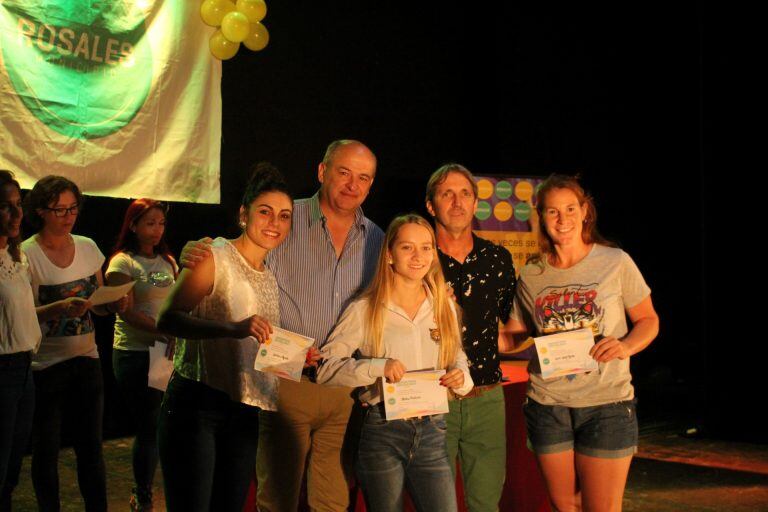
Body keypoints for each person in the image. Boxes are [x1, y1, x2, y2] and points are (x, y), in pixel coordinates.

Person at [182, 140, 384, 511]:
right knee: (277, 499)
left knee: (333, 502)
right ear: (322, 172)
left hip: (343, 389)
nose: (352, 184)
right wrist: (199, 250)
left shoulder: (378, 239)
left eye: (363, 177)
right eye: (343, 172)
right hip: (284, 380)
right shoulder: (285, 218)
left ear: (371, 185)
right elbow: (237, 255)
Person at [502, 174, 659, 512]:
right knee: (565, 506)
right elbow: (515, 336)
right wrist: (461, 325)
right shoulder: (532, 273)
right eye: (553, 212)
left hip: (606, 403)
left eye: (571, 209)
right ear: (541, 217)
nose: (563, 219)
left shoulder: (614, 262)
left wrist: (626, 346)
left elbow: (648, 321)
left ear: (585, 211)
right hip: (548, 404)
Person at [155, 164, 293, 512]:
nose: (274, 222)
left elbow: (257, 347)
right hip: (197, 404)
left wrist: (293, 358)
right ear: (243, 215)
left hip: (243, 409)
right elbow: (168, 319)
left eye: (284, 215)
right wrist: (233, 328)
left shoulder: (269, 277)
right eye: (265, 212)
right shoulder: (214, 255)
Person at [317, 214, 473, 512]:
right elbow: (326, 368)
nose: (419, 256)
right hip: (383, 430)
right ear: (389, 254)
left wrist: (460, 376)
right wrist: (378, 366)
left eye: (426, 247)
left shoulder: (443, 305)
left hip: (432, 429)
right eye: (407, 248)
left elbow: (457, 355)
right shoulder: (366, 308)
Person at [22, 175, 127, 512]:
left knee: (90, 448)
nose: (68, 217)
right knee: (47, 449)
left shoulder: (86, 246)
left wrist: (112, 303)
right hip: (46, 365)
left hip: (87, 358)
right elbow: (20, 315)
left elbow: (96, 301)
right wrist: (58, 307)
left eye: (73, 209)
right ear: (40, 211)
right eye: (59, 210)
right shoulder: (27, 255)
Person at [425, 164, 516, 512]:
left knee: (486, 503)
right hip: (434, 396)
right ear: (431, 205)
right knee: (435, 503)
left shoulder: (497, 258)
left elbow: (514, 325)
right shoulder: (416, 259)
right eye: (447, 193)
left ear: (476, 203)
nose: (457, 202)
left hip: (487, 397)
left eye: (465, 193)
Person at [106, 199, 178, 511]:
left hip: (164, 352)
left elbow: (175, 301)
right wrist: (164, 330)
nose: (157, 229)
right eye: (150, 223)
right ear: (133, 225)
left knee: (162, 421)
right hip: (134, 353)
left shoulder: (168, 261)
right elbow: (129, 312)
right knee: (148, 422)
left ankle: (162, 487)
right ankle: (143, 492)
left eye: (161, 223)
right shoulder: (123, 263)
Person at [0, 170, 42, 511]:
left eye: (18, 205)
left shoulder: (17, 256)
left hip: (24, 367)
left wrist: (61, 307)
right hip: (2, 370)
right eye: (5, 206)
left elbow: (21, 314)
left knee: (13, 468)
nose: (16, 214)